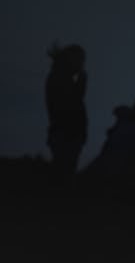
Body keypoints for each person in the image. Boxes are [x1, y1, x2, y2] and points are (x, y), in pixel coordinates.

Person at [45, 42, 88, 177]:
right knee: (63, 174)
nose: (82, 64)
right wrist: (82, 82)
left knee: (64, 172)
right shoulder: (60, 77)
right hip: (66, 134)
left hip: (67, 133)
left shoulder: (61, 76)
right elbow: (71, 102)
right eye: (80, 60)